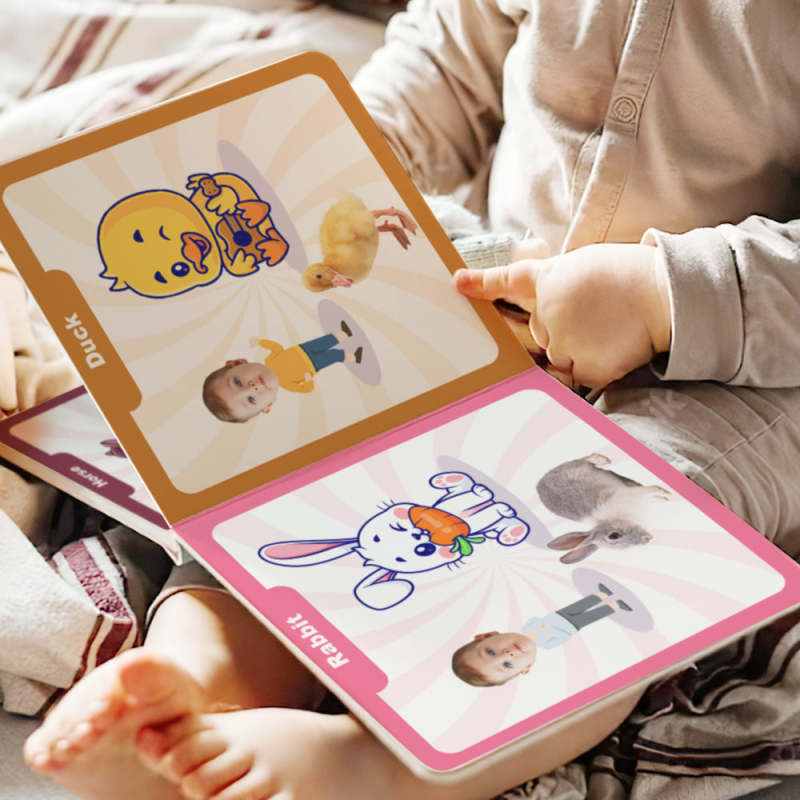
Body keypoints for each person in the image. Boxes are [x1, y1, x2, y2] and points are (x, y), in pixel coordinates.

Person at [23, 2, 800, 799]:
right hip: (503, 296)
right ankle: (197, 677)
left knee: (624, 541)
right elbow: (444, 63)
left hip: (742, 373)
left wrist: (662, 298)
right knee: (315, 468)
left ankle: (381, 769)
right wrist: (350, 165)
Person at [452, 586, 632, 687]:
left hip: (557, 617)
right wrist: (564, 631)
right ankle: (615, 606)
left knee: (579, 606)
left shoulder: (527, 627)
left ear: (487, 635)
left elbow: (535, 620)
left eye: (491, 652)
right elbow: (560, 638)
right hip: (569, 627)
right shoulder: (547, 644)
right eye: (507, 665)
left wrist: (542, 624)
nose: (507, 654)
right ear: (527, 667)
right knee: (591, 616)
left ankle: (602, 594)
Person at [202, 323, 362, 422]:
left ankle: (344, 334)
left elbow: (276, 348)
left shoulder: (270, 361)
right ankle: (354, 357)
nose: (252, 388)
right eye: (251, 399)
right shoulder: (285, 384)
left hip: (301, 350)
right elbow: (306, 389)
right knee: (333, 355)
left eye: (238, 383)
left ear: (238, 363)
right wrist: (308, 379)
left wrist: (259, 341)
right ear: (268, 405)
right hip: (313, 365)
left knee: (323, 342)